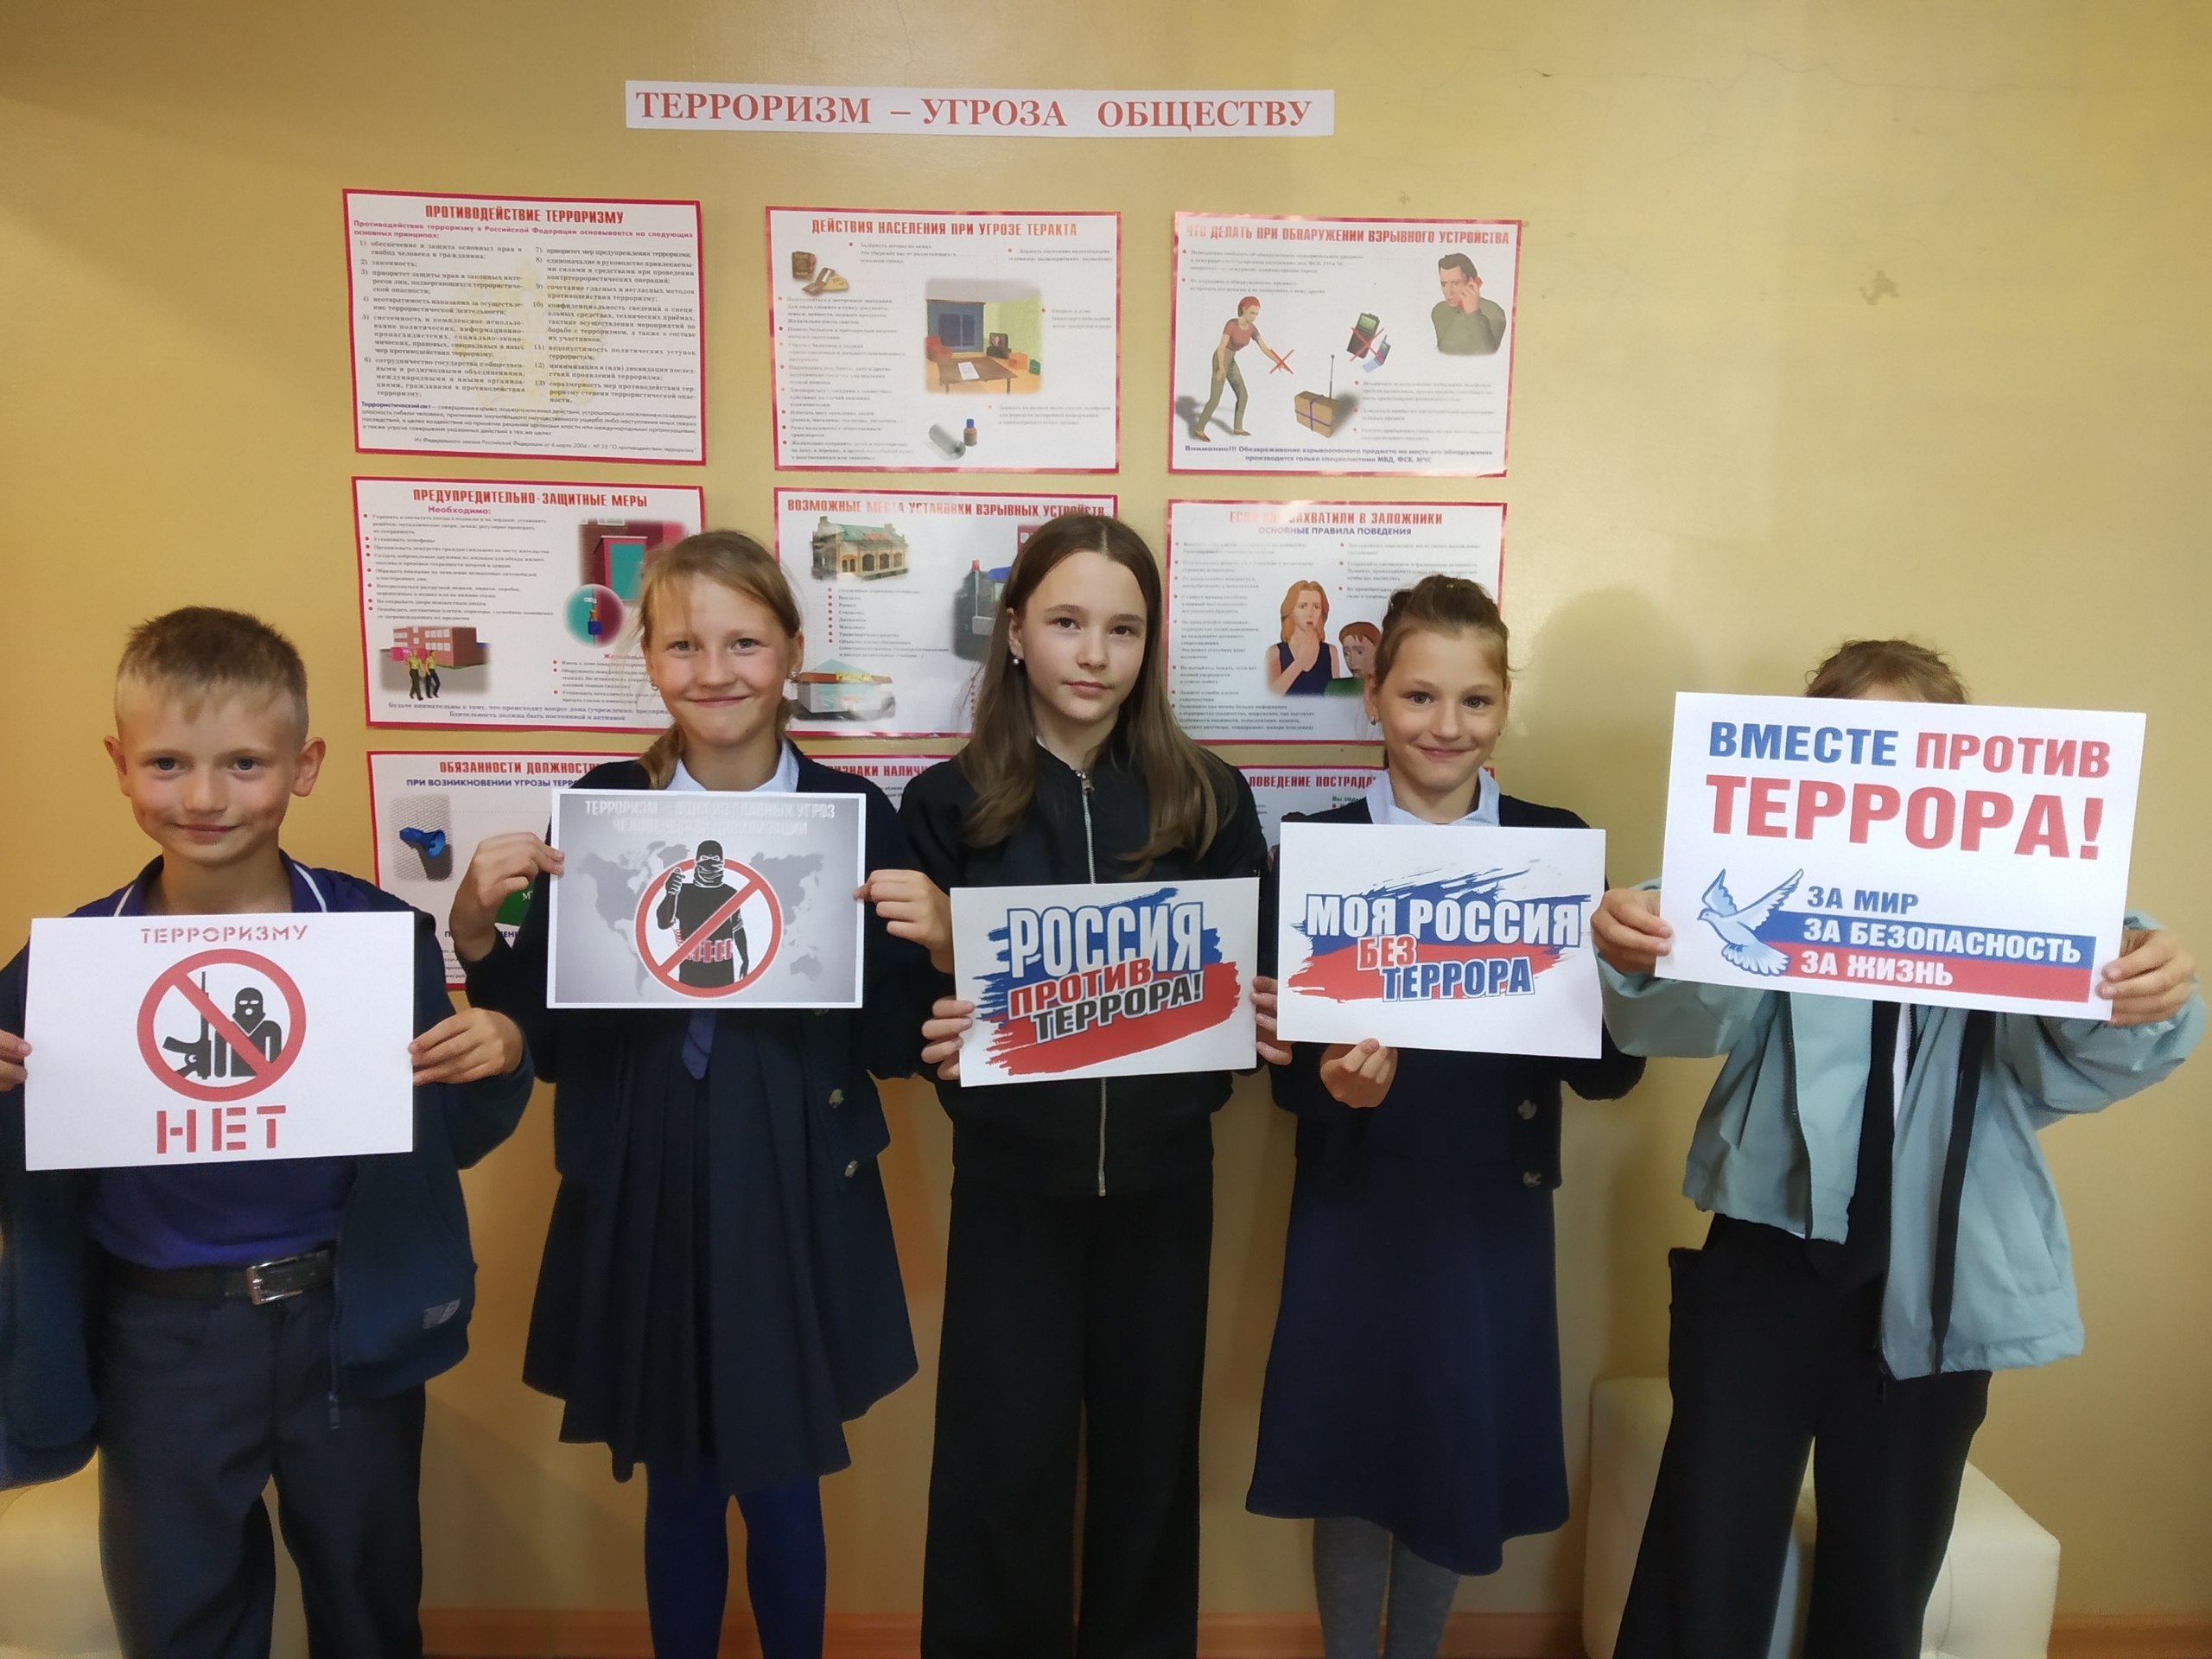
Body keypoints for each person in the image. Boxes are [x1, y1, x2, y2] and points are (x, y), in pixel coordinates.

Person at [1592, 639, 2203, 1659]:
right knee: (1706, 1560)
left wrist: (2141, 983)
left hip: (1940, 1274)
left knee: (1882, 1586)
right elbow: (1676, 1014)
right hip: (1762, 1263)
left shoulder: (2026, 899)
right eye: (1857, 752)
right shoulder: (1763, 875)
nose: (1884, 785)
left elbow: (2075, 1060)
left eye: (1914, 751)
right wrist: (1639, 944)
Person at [0, 606, 533, 1658]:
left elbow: (450, 1137)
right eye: (167, 763)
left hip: (347, 1319)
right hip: (160, 1335)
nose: (204, 798)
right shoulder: (61, 968)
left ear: (305, 766)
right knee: (180, 1614)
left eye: (244, 763)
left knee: (369, 1602)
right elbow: (26, 1172)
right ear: (119, 766)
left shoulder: (377, 938)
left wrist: (501, 1052)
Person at [453, 532, 937, 1659]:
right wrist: (476, 930)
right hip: (646, 1162)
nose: (714, 671)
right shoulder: (604, 806)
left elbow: (891, 1040)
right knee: (678, 1476)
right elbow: (545, 1029)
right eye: (682, 645)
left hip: (794, 1168)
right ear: (649, 661)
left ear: (794, 654)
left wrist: (933, 946)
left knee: (780, 1478)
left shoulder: (856, 814)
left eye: (744, 643)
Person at [893, 512, 1269, 1659]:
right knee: (1002, 1462)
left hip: (1166, 1183)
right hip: (1013, 1185)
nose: (1094, 655)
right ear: (1013, 633)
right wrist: (950, 973)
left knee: (1151, 1465)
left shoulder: (1208, 796)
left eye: (1123, 629)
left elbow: (1239, 998)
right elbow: (910, 1023)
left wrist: (1264, 1013)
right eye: (1065, 623)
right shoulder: (945, 803)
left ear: (1150, 645)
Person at [1246, 575, 1644, 1659]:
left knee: (1450, 1459)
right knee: (1351, 1459)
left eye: (1475, 700)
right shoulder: (1312, 852)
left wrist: (1627, 977)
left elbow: (1608, 1078)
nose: (1445, 725)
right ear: (1375, 696)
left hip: (1487, 1209)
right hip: (1355, 1202)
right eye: (1420, 696)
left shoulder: (1557, 849)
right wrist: (1331, 1085)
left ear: (1505, 704)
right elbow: (1285, 1079)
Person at [1192, 296, 1286, 441]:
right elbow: (1221, 348)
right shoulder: (1231, 324)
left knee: (1243, 395)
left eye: (1257, 314)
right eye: (1252, 313)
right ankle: (1199, 429)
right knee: (1215, 399)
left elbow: (1265, 348)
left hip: (1231, 361)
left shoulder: (1252, 329)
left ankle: (1238, 428)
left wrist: (1278, 361)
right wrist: (1221, 367)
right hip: (1221, 359)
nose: (1254, 317)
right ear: (1244, 309)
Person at [1267, 579, 1339, 696]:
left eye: (1316, 607)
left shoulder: (1331, 652)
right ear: (1291, 611)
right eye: (1302, 606)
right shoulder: (1275, 652)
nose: (1310, 613)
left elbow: (1336, 698)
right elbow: (1270, 697)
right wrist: (1300, 662)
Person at [1431, 253, 1508, 356]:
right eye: (1444, 284)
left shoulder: (1494, 313)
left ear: (1471, 283)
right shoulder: (1439, 311)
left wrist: (1473, 313)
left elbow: (1485, 353)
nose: (1449, 292)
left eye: (1455, 284)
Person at [1325, 620, 1381, 696]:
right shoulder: (1335, 688)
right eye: (1346, 653)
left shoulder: (1389, 687)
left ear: (1377, 650)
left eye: (1359, 652)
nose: (1351, 661)